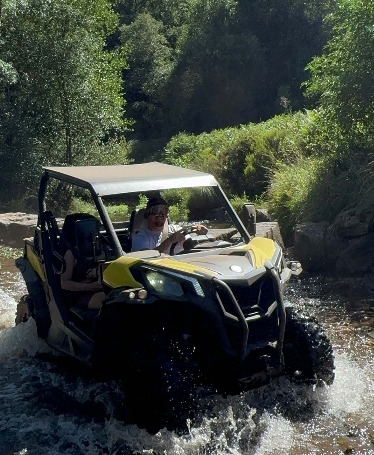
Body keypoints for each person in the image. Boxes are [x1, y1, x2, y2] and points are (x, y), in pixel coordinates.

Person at [131, 196, 208, 255]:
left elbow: (191, 247)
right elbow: (146, 258)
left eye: (164, 211)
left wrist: (198, 232)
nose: (160, 215)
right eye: (156, 211)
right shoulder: (141, 237)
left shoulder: (176, 229)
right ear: (147, 214)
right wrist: (170, 240)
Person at [60, 213, 106, 310]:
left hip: (104, 287)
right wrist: (90, 286)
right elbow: (64, 283)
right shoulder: (71, 254)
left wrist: (98, 270)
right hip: (83, 294)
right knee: (106, 301)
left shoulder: (101, 248)